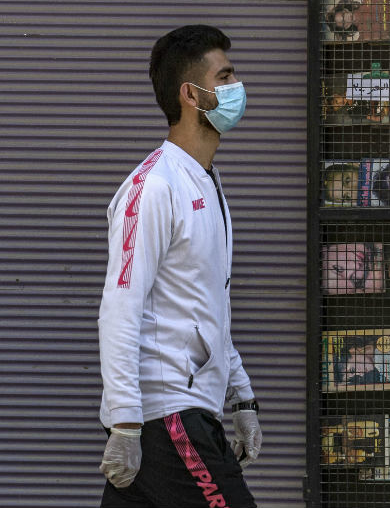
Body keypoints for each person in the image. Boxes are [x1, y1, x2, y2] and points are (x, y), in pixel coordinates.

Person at [96, 25, 261, 508]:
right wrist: (125, 423)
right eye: (225, 77)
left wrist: (242, 397)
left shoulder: (206, 182)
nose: (238, 87)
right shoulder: (154, 187)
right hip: (165, 415)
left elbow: (208, 305)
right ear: (191, 95)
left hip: (187, 411)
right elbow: (120, 308)